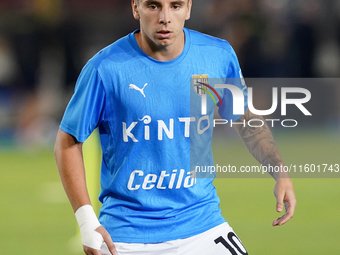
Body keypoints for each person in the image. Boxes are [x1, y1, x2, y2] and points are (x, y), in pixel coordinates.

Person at [54, 0, 297, 254]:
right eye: (153, 6)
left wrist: (280, 171)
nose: (165, 17)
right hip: (126, 237)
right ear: (136, 8)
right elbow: (68, 142)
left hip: (202, 226)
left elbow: (244, 119)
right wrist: (86, 221)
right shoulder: (104, 68)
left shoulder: (217, 56)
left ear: (189, 9)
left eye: (176, 5)